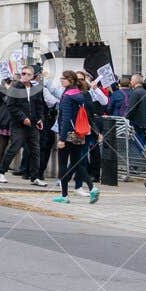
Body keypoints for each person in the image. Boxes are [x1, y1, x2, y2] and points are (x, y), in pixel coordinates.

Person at [52, 71, 101, 204]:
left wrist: (62, 139)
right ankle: (92, 187)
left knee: (63, 163)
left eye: (64, 78)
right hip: (79, 133)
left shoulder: (67, 96)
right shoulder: (79, 94)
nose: (61, 80)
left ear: (71, 80)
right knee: (77, 163)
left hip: (67, 133)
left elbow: (66, 118)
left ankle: (64, 196)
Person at [0, 66, 47, 185]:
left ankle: (34, 177)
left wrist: (40, 119)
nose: (24, 76)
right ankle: (1, 171)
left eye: (27, 74)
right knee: (15, 147)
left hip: (33, 124)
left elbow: (39, 106)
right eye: (23, 73)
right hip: (18, 124)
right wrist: (22, 117)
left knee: (35, 150)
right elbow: (11, 105)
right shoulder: (15, 87)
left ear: (32, 76)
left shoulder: (36, 89)